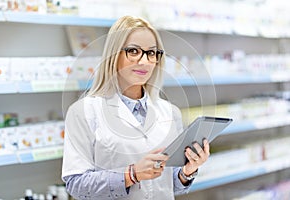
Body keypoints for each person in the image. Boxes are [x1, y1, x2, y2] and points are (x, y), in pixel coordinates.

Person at [62, 15, 210, 200]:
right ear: (114, 55)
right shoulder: (83, 111)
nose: (144, 61)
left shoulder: (170, 112)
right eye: (133, 51)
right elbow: (76, 185)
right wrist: (131, 175)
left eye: (151, 53)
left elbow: (169, 185)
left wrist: (187, 171)